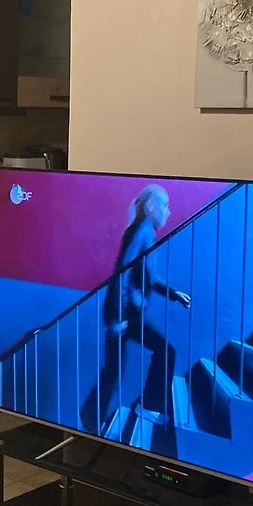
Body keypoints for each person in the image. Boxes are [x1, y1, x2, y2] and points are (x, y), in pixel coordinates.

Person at [79, 185, 191, 437]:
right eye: (165, 205)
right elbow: (122, 271)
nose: (168, 211)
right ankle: (149, 406)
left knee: (114, 369)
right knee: (165, 351)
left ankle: (89, 415)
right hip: (125, 314)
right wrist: (118, 317)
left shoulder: (145, 232)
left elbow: (150, 276)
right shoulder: (141, 230)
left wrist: (174, 293)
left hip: (126, 312)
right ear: (151, 206)